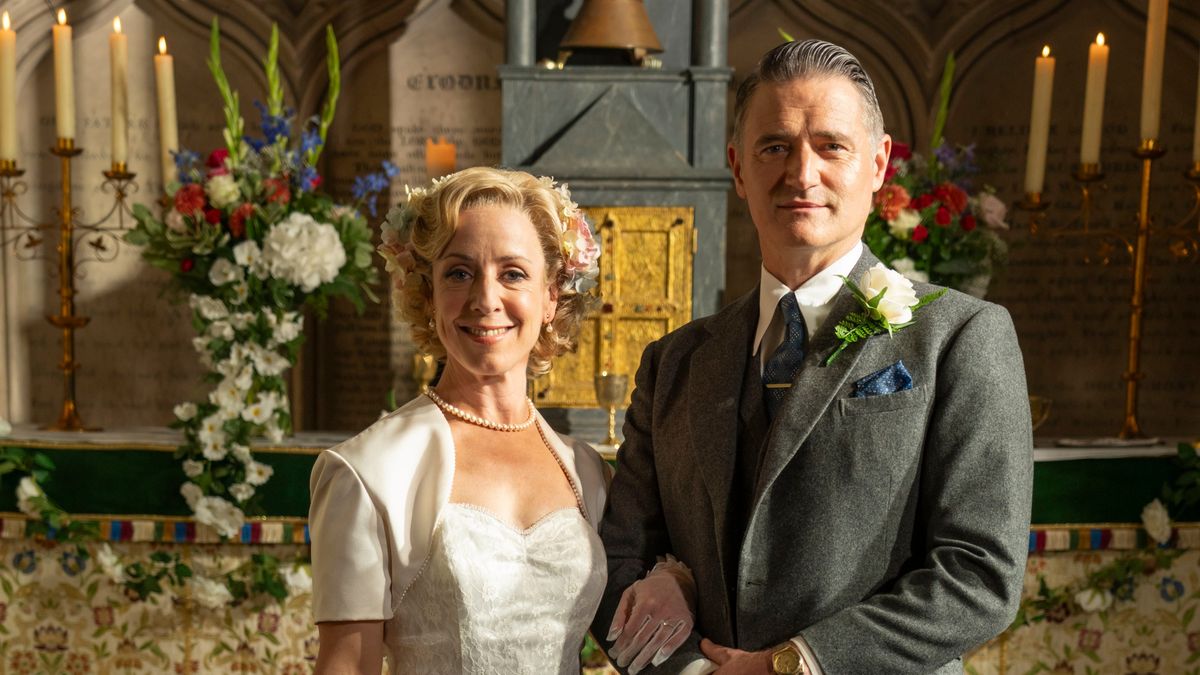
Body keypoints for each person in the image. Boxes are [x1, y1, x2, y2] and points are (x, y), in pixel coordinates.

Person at [592, 39, 1034, 674]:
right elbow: (620, 561)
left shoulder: (961, 336)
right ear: (738, 168)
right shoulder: (675, 362)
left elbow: (980, 573)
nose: (802, 174)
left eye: (831, 146)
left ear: (878, 164)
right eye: (775, 147)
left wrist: (795, 664)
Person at [309, 166, 609, 674]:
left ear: (551, 295)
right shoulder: (367, 473)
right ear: (427, 295)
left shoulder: (587, 473)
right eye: (459, 272)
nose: (485, 299)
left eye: (512, 273)